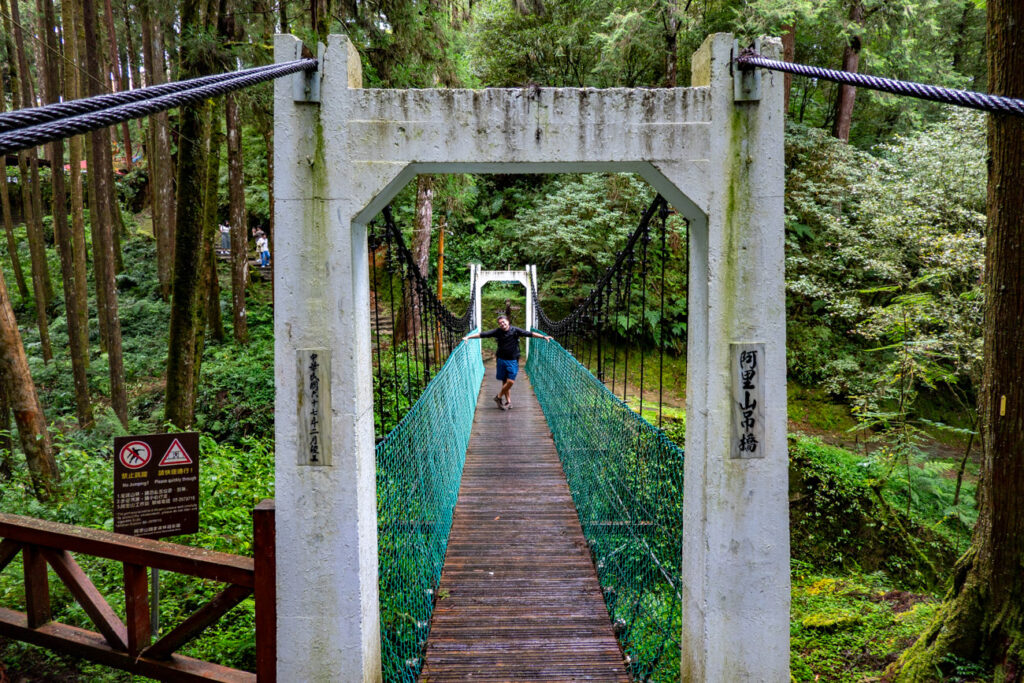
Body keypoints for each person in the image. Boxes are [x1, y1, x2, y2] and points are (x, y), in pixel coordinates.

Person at [462, 314, 552, 410]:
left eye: (503, 322)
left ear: (508, 322)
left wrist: (543, 337)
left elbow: (530, 334)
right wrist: (469, 337)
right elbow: (482, 334)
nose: (502, 324)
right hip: (501, 359)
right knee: (504, 381)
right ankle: (508, 402)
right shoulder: (498, 332)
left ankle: (498, 397)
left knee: (510, 381)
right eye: (500, 323)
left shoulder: (515, 330)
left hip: (512, 360)